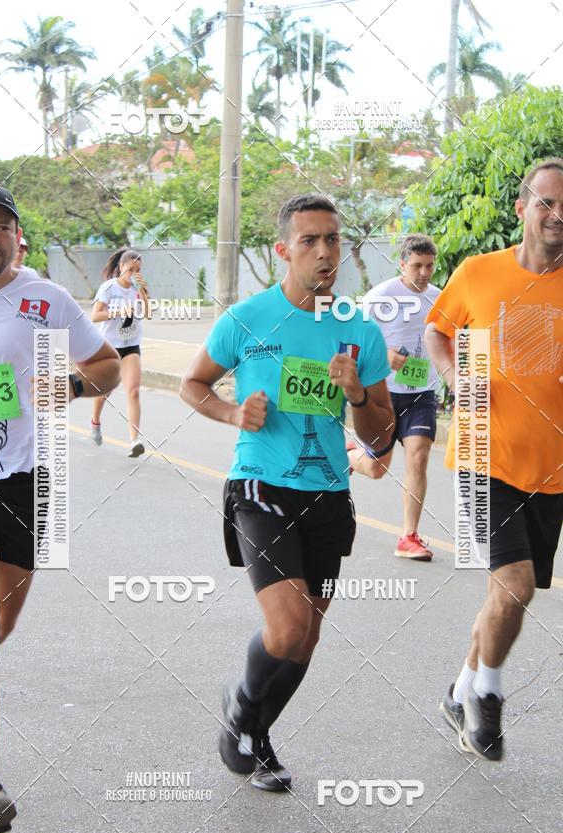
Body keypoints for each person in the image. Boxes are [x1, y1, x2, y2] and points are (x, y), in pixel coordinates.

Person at [180, 193, 394, 790]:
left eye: (333, 240)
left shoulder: (358, 329)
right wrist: (231, 414)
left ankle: (257, 732)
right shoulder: (247, 318)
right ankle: (244, 713)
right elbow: (194, 384)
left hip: (328, 495)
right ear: (283, 251)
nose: (325, 252)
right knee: (285, 627)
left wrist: (356, 396)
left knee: (308, 635)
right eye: (310, 241)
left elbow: (381, 438)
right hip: (261, 487)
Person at [0, 181, 120, 833]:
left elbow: (109, 365)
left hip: (25, 483)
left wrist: (76, 384)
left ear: (17, 236)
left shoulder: (45, 298)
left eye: (2, 227)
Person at [425, 158, 563, 761]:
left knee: (503, 595)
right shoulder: (479, 273)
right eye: (547, 203)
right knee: (517, 586)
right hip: (483, 455)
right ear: (522, 208)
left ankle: (459, 687)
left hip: (552, 466)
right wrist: (455, 374)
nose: (558, 215)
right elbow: (438, 329)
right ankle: (488, 693)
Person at [348, 234, 441, 561]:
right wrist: (382, 355)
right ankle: (349, 455)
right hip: (383, 395)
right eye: (417, 266)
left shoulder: (438, 298)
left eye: (430, 266)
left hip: (421, 394)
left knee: (418, 455)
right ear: (402, 264)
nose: (424, 273)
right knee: (376, 469)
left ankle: (409, 537)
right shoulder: (380, 297)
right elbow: (352, 344)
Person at [90, 248, 149, 457]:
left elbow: (147, 314)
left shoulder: (137, 288)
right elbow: (95, 316)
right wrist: (117, 311)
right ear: (121, 267)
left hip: (131, 345)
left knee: (133, 391)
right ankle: (95, 421)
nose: (133, 273)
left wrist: (143, 291)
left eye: (138, 270)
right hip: (110, 346)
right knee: (105, 390)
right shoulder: (109, 288)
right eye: (130, 269)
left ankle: (134, 441)